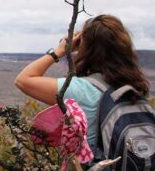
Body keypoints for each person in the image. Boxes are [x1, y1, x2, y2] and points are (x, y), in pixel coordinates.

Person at [14, 14, 150, 151]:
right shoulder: (134, 88)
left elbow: (23, 80)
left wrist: (59, 51)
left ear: (86, 48)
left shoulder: (82, 90)